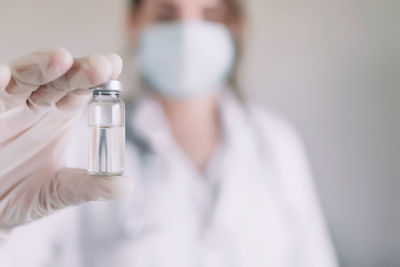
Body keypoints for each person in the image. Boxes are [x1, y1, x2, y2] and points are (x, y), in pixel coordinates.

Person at [0, 0, 338, 266]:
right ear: (133, 24)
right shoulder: (77, 137)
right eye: (166, 15)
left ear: (236, 27)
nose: (188, 35)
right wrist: (2, 225)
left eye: (210, 15)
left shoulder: (276, 143)